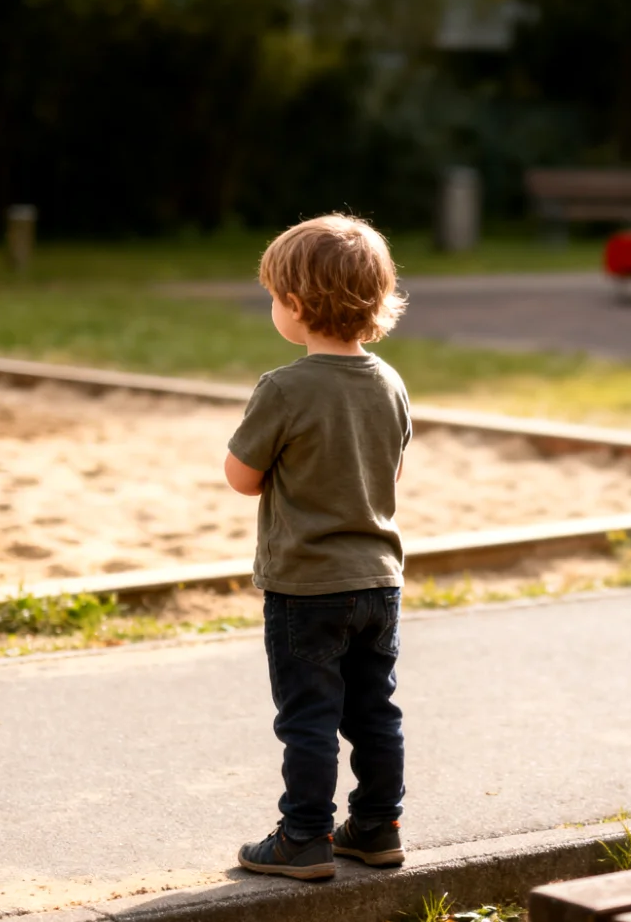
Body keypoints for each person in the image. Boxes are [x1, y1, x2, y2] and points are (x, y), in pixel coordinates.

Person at [225, 213, 411, 881]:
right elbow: (390, 474)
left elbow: (242, 477)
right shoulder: (389, 382)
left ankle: (304, 836)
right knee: (374, 710)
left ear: (297, 305)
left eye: (274, 297)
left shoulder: (284, 387)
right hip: (378, 580)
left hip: (306, 586)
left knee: (308, 717)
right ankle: (378, 825)